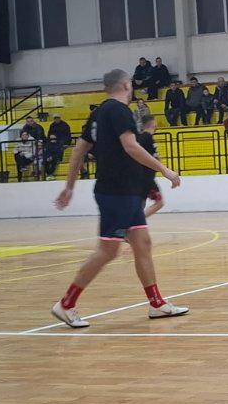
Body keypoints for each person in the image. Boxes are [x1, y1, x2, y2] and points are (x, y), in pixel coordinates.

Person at [50, 68, 185, 328]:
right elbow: (131, 146)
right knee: (107, 250)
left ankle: (156, 303)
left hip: (124, 192)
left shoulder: (98, 113)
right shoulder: (120, 111)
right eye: (130, 85)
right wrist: (164, 169)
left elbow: (78, 151)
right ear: (125, 85)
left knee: (142, 243)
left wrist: (69, 187)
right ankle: (66, 304)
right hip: (117, 192)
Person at [136, 113, 166, 217]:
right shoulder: (148, 138)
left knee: (140, 204)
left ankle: (135, 222)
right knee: (159, 202)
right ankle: (137, 221)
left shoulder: (139, 138)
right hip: (146, 179)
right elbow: (156, 159)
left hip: (140, 177)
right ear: (153, 123)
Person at [43, 114, 72, 178]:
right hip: (54, 142)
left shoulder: (65, 125)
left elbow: (68, 135)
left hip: (62, 142)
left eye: (57, 118)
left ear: (60, 118)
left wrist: (67, 143)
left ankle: (59, 158)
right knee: (46, 160)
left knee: (56, 155)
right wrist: (50, 140)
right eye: (55, 118)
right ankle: (48, 173)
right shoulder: (52, 125)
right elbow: (49, 134)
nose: (56, 119)